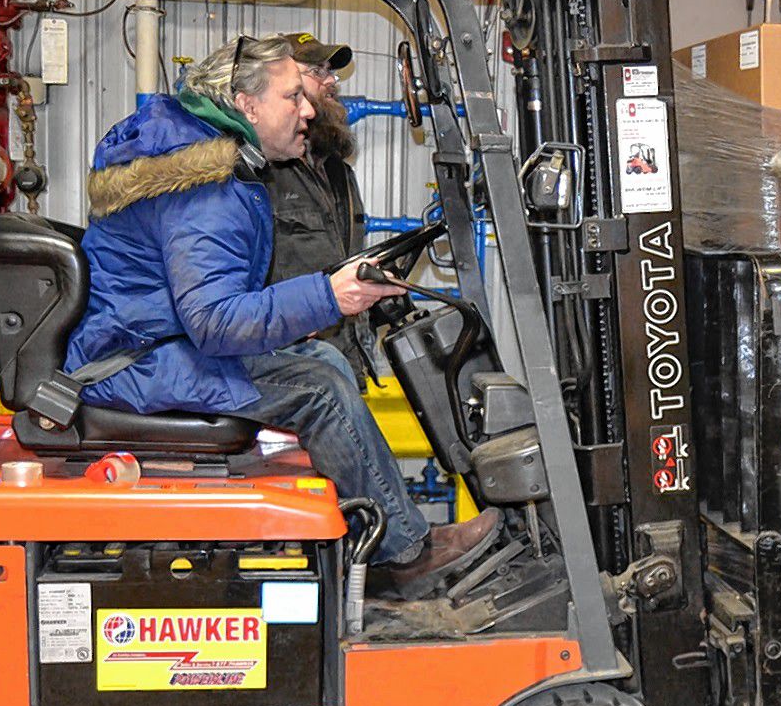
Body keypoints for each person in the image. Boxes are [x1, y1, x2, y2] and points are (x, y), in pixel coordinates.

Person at [63, 33, 500, 598]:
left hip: (146, 342)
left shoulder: (207, 165)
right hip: (135, 361)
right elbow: (215, 322)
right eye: (293, 97)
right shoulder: (206, 190)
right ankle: (402, 555)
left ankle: (371, 547)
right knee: (317, 384)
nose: (309, 109)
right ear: (246, 105)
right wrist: (327, 297)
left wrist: (312, 310)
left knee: (317, 359)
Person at [262, 32, 377, 384]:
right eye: (316, 71)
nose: (330, 81)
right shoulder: (261, 171)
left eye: (331, 72)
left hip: (345, 363)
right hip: (290, 366)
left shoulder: (338, 171)